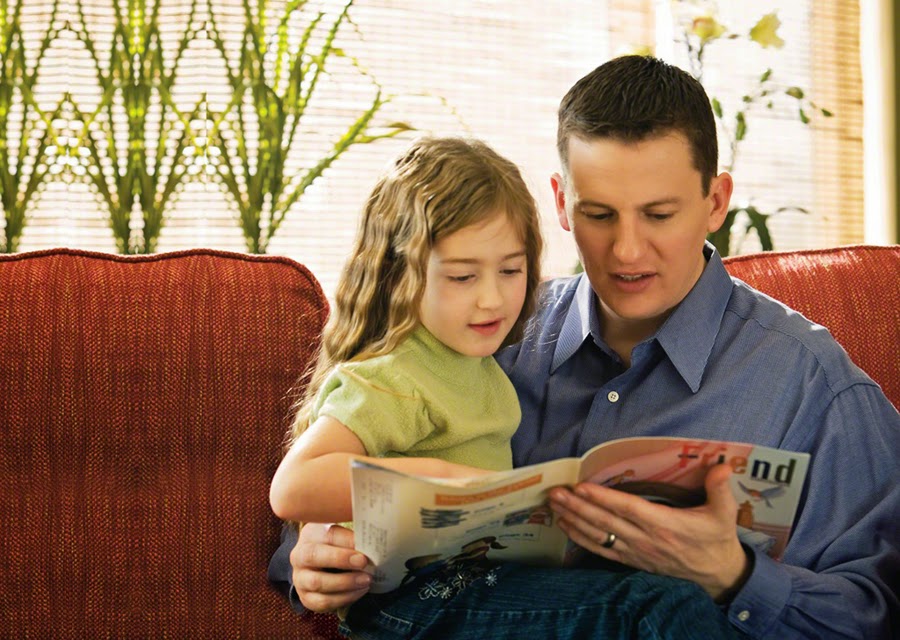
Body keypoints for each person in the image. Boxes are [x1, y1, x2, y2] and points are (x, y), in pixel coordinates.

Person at [269, 56, 900, 639]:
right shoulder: (490, 334)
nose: (627, 250)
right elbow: (335, 489)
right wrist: (314, 558)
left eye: (658, 215)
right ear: (562, 204)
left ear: (715, 203)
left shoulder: (815, 386)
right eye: (599, 215)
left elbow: (877, 612)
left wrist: (732, 576)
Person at [269, 135, 741, 639]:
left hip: (485, 580)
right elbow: (294, 487)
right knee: (658, 609)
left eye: (511, 270)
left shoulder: (483, 363)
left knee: (663, 600)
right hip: (414, 596)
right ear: (399, 275)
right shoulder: (396, 376)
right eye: (462, 277)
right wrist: (441, 480)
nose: (492, 299)